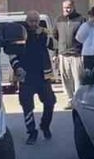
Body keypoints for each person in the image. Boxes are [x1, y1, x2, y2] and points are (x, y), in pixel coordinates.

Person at [4, 11, 56, 145]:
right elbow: (12, 54)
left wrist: (44, 35)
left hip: (43, 75)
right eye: (31, 21)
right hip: (26, 76)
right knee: (27, 106)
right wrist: (17, 68)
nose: (34, 24)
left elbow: (54, 46)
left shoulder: (44, 33)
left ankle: (45, 125)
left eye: (36, 21)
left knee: (50, 102)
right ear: (26, 21)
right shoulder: (19, 33)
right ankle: (32, 132)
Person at [53, 0, 85, 109]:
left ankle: (78, 101)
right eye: (65, 8)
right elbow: (55, 36)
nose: (67, 9)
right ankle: (70, 100)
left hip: (76, 54)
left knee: (78, 79)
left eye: (69, 7)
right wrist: (56, 53)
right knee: (66, 79)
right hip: (63, 54)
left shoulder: (81, 20)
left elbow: (84, 36)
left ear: (73, 7)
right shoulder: (59, 20)